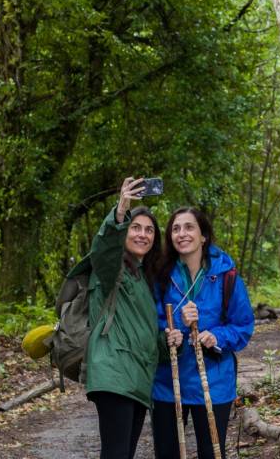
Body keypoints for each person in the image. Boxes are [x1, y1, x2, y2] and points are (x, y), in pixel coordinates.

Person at [152, 207, 254, 459]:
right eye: (175, 229)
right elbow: (150, 321)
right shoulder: (160, 274)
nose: (182, 234)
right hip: (167, 381)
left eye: (189, 227)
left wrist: (216, 337)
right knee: (167, 453)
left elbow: (242, 325)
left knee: (212, 453)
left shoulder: (225, 274)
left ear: (203, 235)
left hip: (214, 380)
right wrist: (168, 334)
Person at [84, 177, 164, 459]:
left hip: (136, 377)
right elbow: (103, 248)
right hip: (114, 371)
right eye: (135, 228)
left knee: (123, 453)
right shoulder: (111, 269)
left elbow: (144, 332)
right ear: (124, 231)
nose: (143, 234)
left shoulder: (143, 276)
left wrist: (169, 341)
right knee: (117, 453)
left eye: (149, 230)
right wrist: (120, 212)